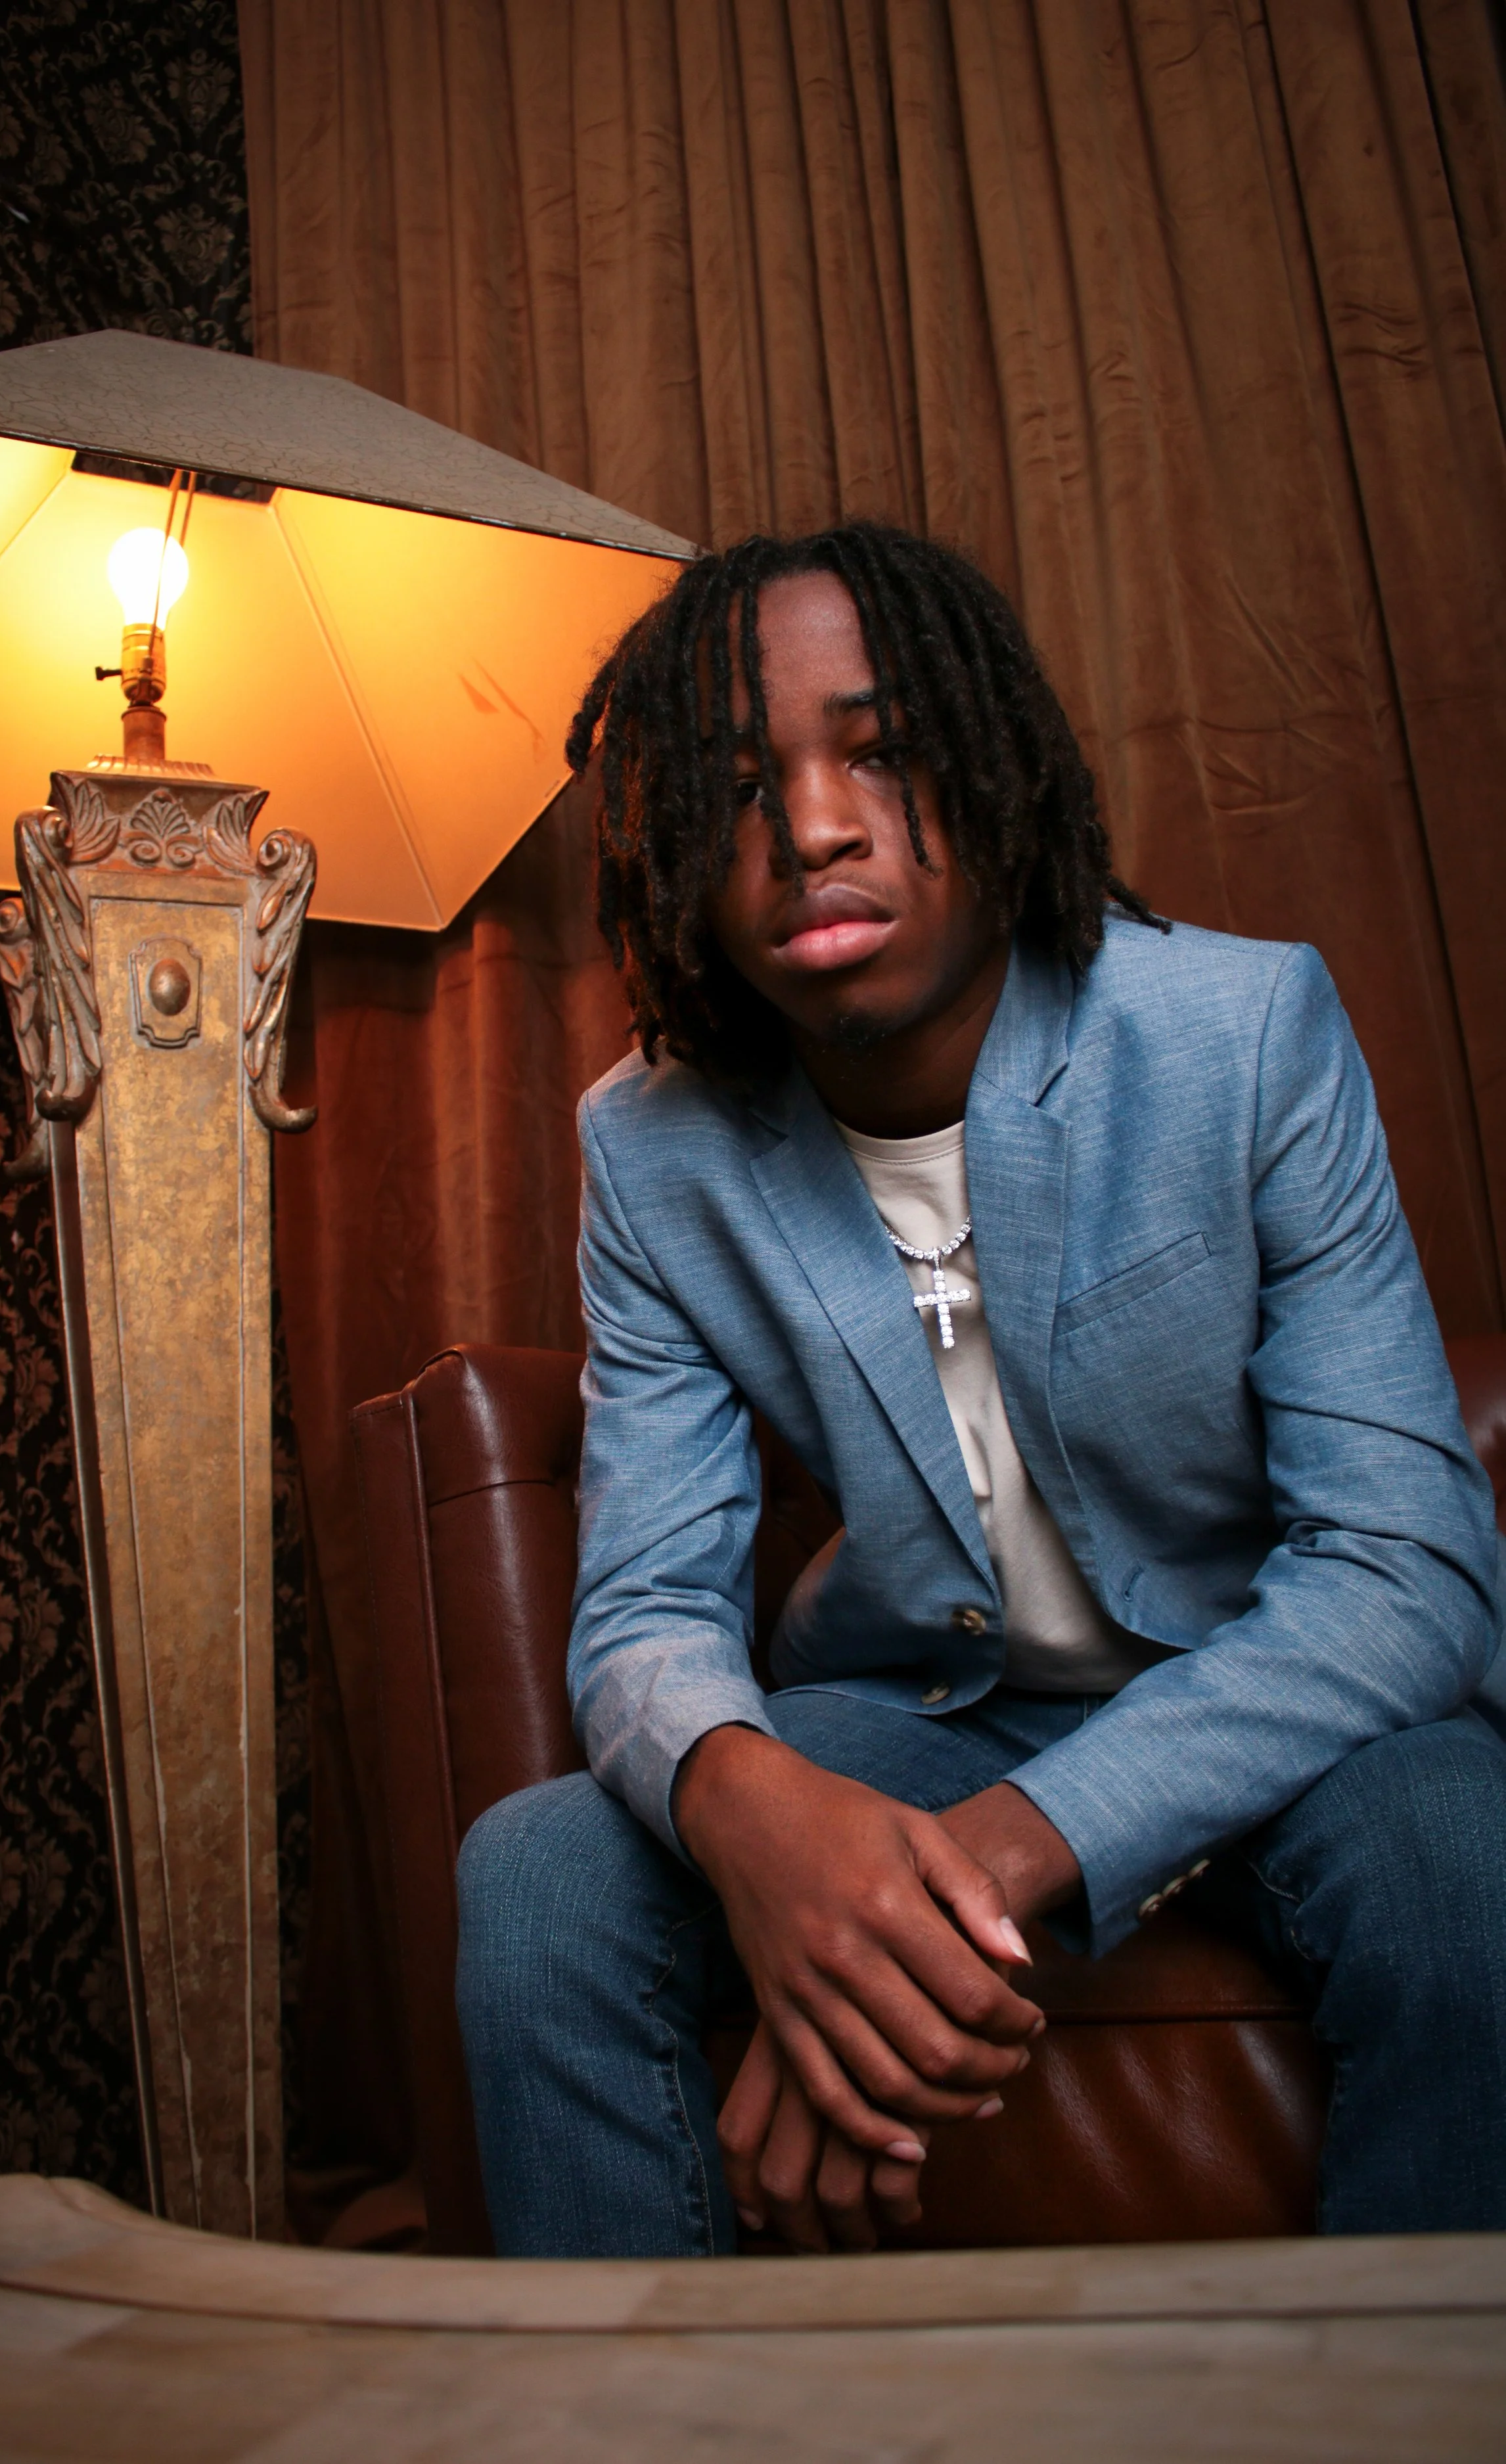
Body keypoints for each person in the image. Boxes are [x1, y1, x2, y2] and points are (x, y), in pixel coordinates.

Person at [455, 521, 1505, 2258]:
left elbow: (1400, 1570)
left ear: (990, 759)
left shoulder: (1239, 1035)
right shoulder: (646, 1145)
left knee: (1459, 1847)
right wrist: (754, 1818)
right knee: (541, 1873)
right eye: (738, 784)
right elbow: (645, 1602)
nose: (811, 830)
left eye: (876, 749)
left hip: (1283, 1708)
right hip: (932, 1704)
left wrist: (989, 1868)